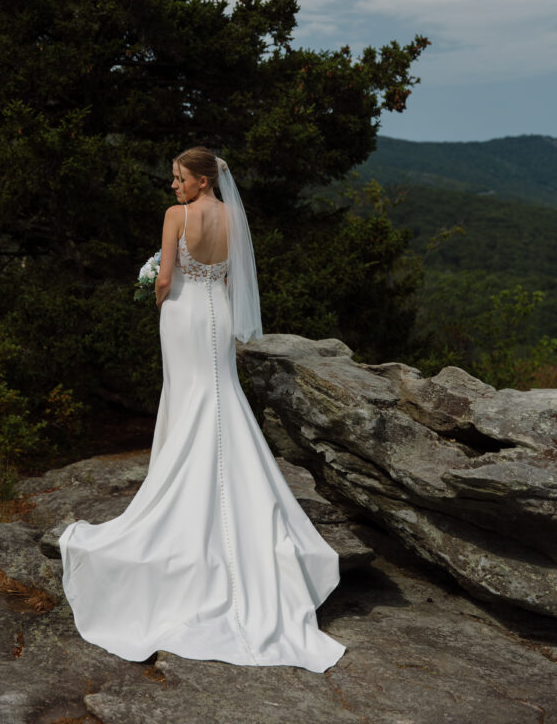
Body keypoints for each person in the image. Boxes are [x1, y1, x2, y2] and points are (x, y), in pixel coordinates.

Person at [59, 146, 347, 672]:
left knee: (189, 395)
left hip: (183, 313)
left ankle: (180, 489)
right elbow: (237, 280)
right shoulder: (234, 217)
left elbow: (166, 277)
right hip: (217, 312)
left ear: (199, 180)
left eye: (178, 178)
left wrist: (153, 292)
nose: (172, 186)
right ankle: (238, 492)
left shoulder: (178, 217)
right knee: (221, 396)